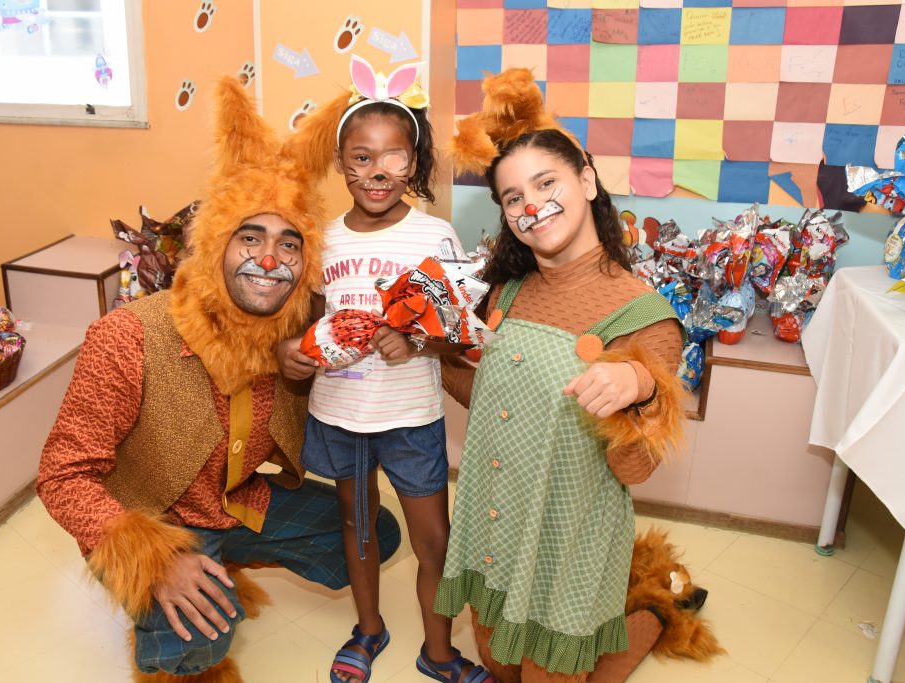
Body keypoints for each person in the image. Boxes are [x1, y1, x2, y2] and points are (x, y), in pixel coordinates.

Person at [37, 75, 401, 683]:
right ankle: (174, 604)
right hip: (149, 515)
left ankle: (219, 558)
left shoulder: (294, 328)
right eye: (249, 237)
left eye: (289, 244)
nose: (268, 259)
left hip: (230, 504)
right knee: (199, 644)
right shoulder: (128, 336)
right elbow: (61, 476)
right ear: (214, 246)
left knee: (374, 533)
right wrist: (151, 558)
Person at [434, 69, 687, 683]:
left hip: (567, 540)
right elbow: (493, 399)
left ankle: (653, 613)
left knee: (551, 675)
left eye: (545, 183)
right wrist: (432, 354)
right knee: (497, 662)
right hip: (495, 519)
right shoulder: (509, 289)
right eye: (513, 197)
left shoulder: (646, 318)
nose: (531, 205)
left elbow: (633, 469)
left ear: (588, 180)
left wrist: (640, 388)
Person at [276, 55, 494, 683]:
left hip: (411, 416)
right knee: (358, 528)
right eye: (361, 156)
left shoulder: (437, 237)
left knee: (434, 541)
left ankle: (439, 651)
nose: (377, 171)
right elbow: (308, 323)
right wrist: (291, 354)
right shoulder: (320, 240)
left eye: (394, 156)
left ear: (415, 161)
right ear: (341, 163)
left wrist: (417, 343)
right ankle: (368, 629)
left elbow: (456, 337)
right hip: (340, 413)